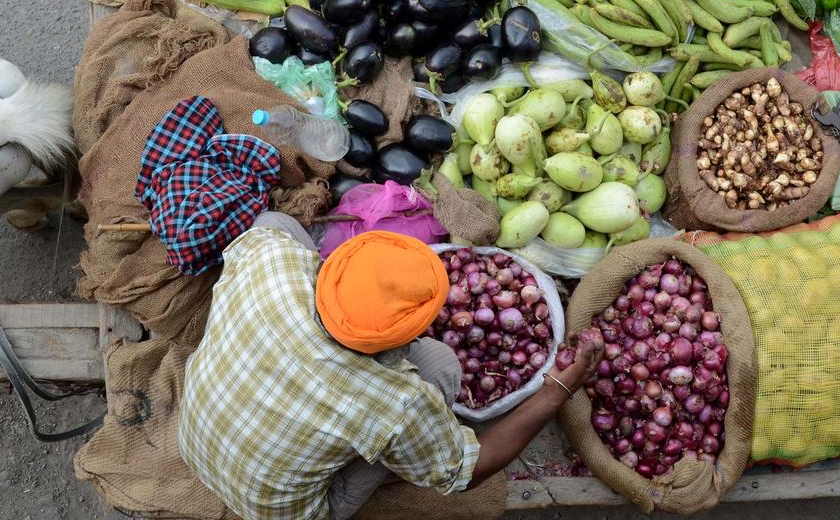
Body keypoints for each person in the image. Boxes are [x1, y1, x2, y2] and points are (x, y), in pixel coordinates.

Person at [179, 211, 602, 520]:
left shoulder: (270, 259)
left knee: (280, 223)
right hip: (280, 512)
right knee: (438, 367)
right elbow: (467, 471)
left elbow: (269, 227)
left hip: (193, 431)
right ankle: (397, 457)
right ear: (401, 340)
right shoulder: (395, 402)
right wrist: (556, 390)